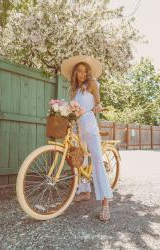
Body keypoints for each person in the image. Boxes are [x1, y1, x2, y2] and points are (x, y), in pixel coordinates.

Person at [61, 55, 113, 222]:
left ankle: (105, 201)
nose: (82, 74)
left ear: (88, 73)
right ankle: (85, 191)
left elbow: (97, 103)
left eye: (84, 71)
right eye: (79, 71)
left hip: (89, 126)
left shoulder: (92, 84)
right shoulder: (74, 90)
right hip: (77, 128)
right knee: (80, 160)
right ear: (75, 73)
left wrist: (97, 107)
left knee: (97, 160)